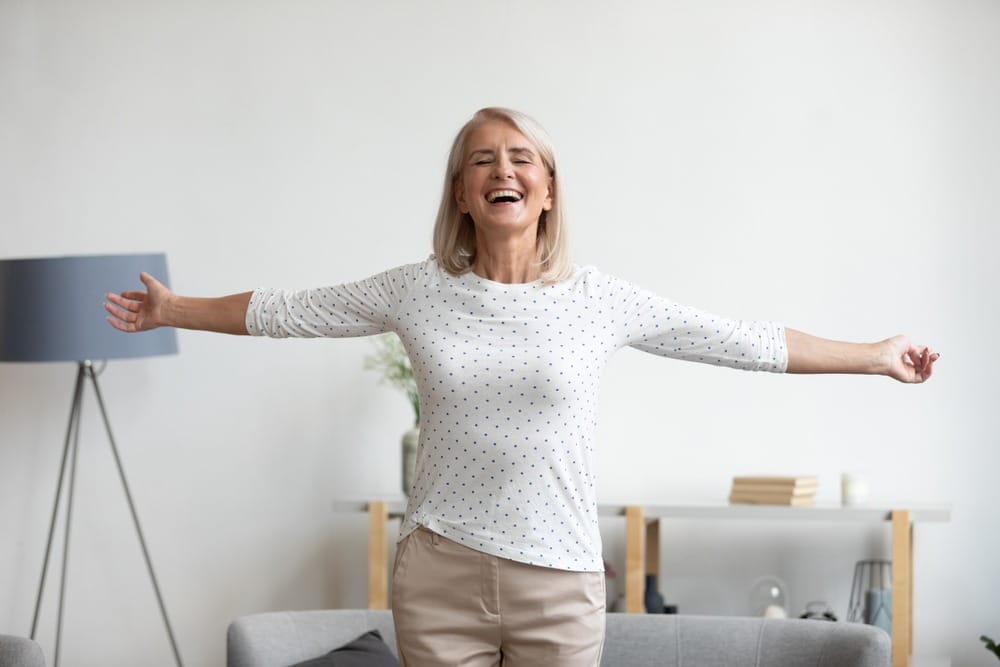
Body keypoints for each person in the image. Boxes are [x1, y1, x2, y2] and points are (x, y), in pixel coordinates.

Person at [105, 107, 939, 666]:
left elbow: (741, 341)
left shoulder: (598, 298)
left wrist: (873, 353)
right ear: (464, 195)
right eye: (481, 161)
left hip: (561, 580)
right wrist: (175, 307)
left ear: (546, 190)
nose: (502, 170)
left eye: (521, 158)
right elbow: (292, 310)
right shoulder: (415, 289)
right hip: (439, 573)